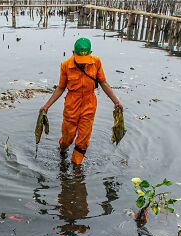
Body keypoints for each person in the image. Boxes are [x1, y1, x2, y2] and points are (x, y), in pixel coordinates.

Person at [40, 37, 122, 166]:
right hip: (72, 103)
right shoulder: (66, 65)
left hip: (89, 103)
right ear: (73, 52)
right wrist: (46, 106)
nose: (83, 63)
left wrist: (116, 101)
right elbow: (61, 87)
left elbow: (103, 82)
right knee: (67, 138)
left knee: (83, 139)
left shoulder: (96, 62)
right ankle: (62, 150)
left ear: (90, 53)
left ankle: (76, 167)